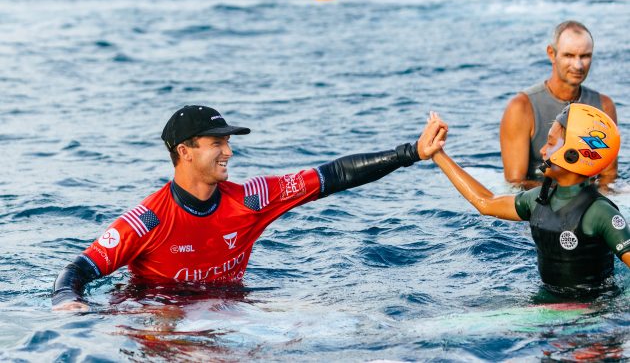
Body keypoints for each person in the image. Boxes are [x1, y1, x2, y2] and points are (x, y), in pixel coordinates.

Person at [52, 105, 448, 311]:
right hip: (161, 314)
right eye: (217, 143)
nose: (228, 151)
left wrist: (410, 152)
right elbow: (76, 272)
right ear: (185, 152)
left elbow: (333, 175)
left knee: (340, 317)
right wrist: (70, 306)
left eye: (228, 142)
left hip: (229, 305)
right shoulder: (148, 220)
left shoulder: (252, 199)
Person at [429, 104, 630, 296]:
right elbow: (486, 202)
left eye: (550, 142)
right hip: (549, 306)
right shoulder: (537, 199)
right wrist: (438, 155)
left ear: (572, 155)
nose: (543, 150)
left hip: (595, 316)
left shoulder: (600, 213)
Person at [500, 21, 617, 188]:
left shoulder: (604, 106)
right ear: (551, 54)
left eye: (585, 56)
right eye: (569, 55)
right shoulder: (521, 107)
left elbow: (608, 177)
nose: (578, 65)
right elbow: (515, 183)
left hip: (586, 198)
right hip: (540, 198)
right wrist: (567, 196)